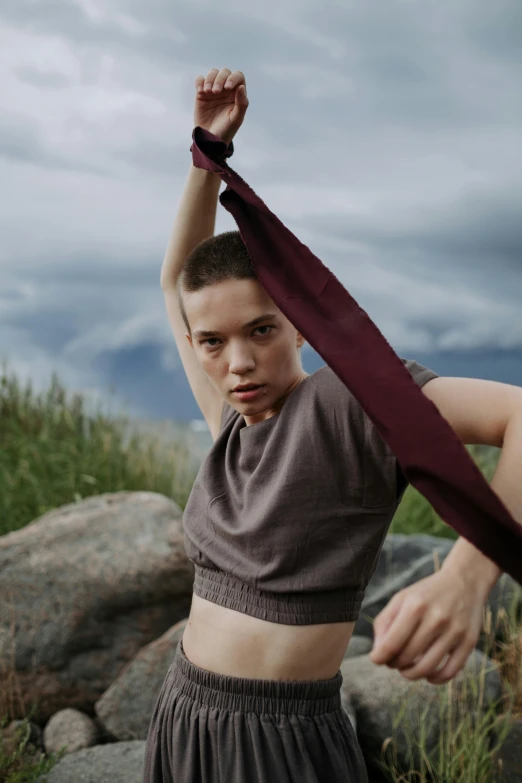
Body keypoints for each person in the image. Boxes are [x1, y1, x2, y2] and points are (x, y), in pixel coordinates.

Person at [143, 68, 522, 783]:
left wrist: (470, 576)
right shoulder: (228, 422)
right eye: (213, 341)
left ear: (300, 327)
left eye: (262, 329)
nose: (239, 361)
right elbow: (175, 281)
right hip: (184, 715)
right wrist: (206, 154)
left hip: (284, 742)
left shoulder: (350, 404)